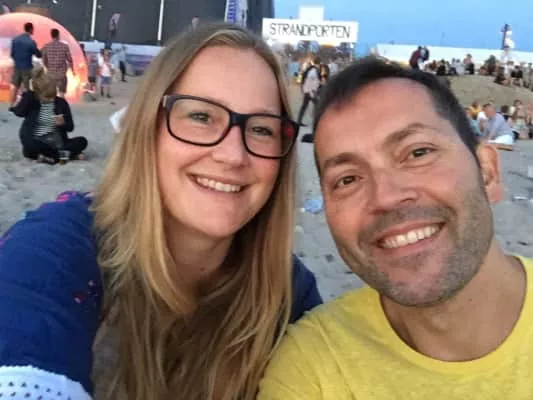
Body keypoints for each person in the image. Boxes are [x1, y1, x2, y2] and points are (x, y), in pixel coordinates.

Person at [0, 23, 321, 400]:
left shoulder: (285, 293)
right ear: (147, 128)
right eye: (201, 117)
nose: (233, 155)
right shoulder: (56, 251)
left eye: (262, 129)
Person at [259, 57, 533, 399]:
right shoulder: (313, 368)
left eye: (417, 153)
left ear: (487, 173)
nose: (386, 197)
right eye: (348, 179)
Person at [8, 67, 87, 163]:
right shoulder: (32, 98)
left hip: (55, 142)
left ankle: (51, 156)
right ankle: (63, 156)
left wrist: (63, 123)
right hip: (37, 142)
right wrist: (27, 94)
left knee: (82, 141)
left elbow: (70, 127)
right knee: (30, 147)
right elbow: (19, 112)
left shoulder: (60, 103)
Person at [9, 22, 41, 106]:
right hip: (27, 67)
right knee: (26, 88)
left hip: (17, 66)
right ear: (31, 29)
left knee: (15, 86)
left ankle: (11, 104)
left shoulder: (15, 40)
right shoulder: (31, 42)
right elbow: (38, 54)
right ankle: (25, 105)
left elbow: (12, 54)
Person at [41, 28, 74, 98]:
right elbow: (70, 60)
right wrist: (73, 70)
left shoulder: (46, 46)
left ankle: (53, 104)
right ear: (58, 35)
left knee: (51, 93)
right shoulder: (64, 46)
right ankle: (61, 104)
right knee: (61, 93)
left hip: (51, 74)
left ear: (51, 35)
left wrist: (48, 68)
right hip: (61, 74)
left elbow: (44, 60)